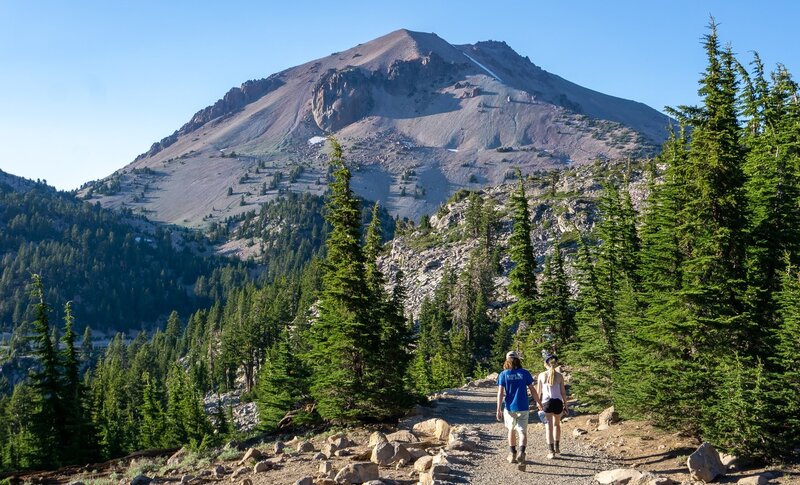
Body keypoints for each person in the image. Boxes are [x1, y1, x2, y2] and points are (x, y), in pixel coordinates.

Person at [496, 350, 542, 470]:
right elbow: (532, 389)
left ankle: (512, 454)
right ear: (518, 360)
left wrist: (498, 409)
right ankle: (522, 451)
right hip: (523, 406)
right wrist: (538, 402)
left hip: (510, 407)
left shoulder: (503, 374)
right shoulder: (525, 373)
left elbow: (500, 393)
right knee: (522, 432)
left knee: (511, 430)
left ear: (507, 360)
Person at [536, 353, 568, 459]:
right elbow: (563, 392)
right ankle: (557, 446)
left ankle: (551, 451)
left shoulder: (541, 375)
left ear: (545, 363)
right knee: (557, 425)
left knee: (548, 428)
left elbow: (538, 392)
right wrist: (566, 404)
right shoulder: (560, 376)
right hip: (558, 403)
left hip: (547, 403)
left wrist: (538, 403)